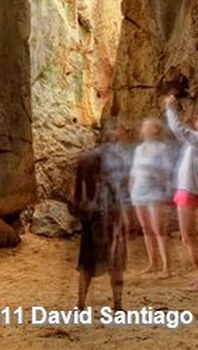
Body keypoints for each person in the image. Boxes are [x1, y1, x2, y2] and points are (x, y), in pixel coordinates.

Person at [163, 93, 198, 291]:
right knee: (188, 236)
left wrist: (170, 107)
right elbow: (185, 135)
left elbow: (179, 131)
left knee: (188, 237)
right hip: (186, 189)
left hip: (189, 190)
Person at [73, 121, 128, 310]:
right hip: (111, 215)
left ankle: (81, 303)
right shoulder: (119, 161)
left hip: (91, 215)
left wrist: (81, 213)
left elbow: (77, 195)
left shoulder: (85, 159)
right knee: (116, 261)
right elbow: (122, 191)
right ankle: (117, 305)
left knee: (87, 261)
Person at [130, 117, 174, 277]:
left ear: (156, 130)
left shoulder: (162, 148)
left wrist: (165, 188)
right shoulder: (139, 149)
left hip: (155, 192)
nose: (145, 129)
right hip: (139, 192)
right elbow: (133, 172)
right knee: (146, 229)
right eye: (144, 126)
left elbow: (168, 170)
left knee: (158, 229)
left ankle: (166, 267)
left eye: (148, 126)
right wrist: (131, 191)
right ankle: (152, 263)